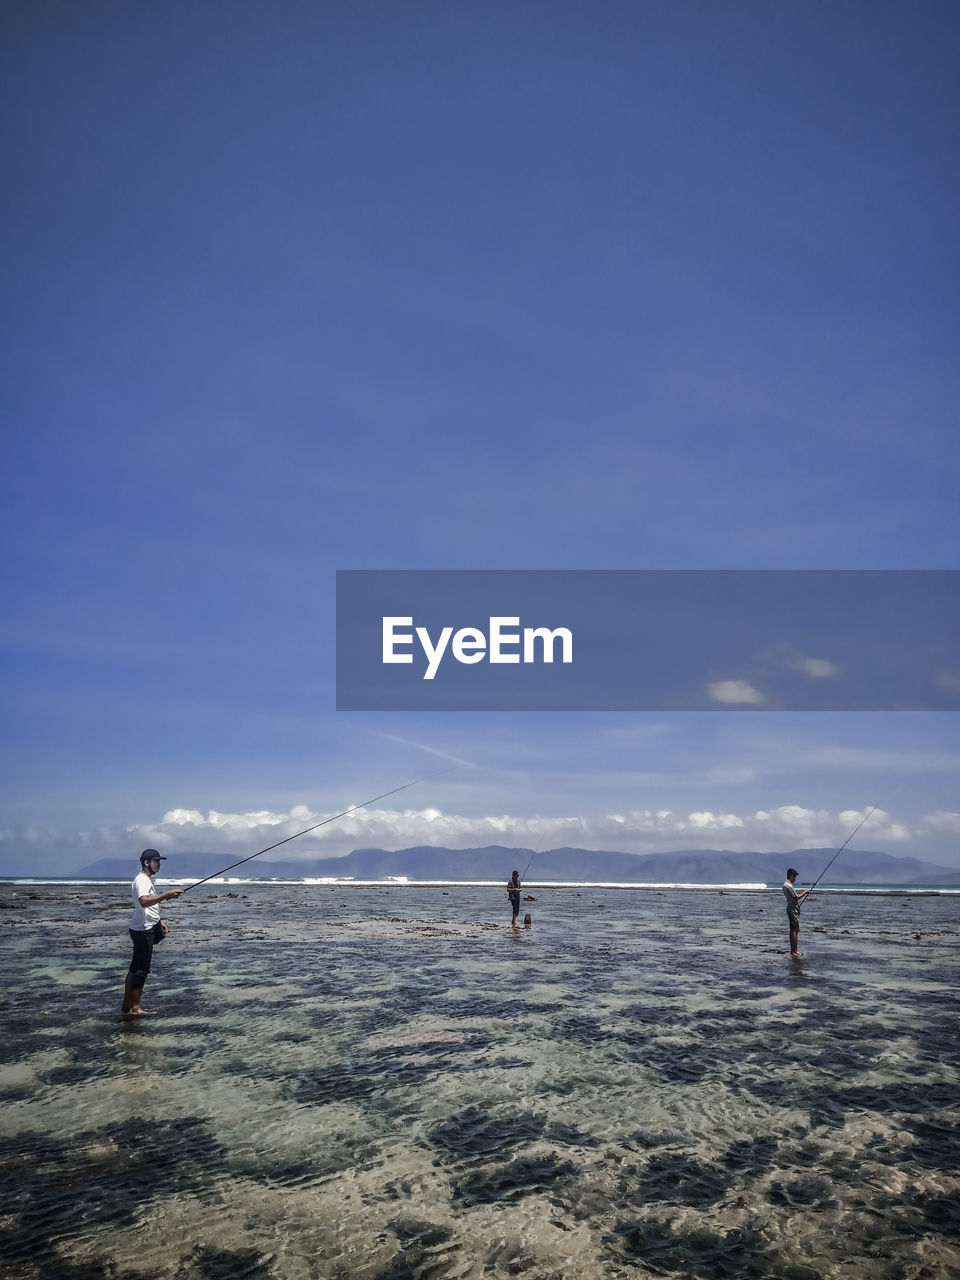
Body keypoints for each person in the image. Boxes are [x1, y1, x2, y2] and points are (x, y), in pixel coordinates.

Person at [122, 849, 182, 1016]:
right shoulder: (142, 880)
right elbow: (144, 902)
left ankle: (127, 1006)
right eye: (156, 861)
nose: (158, 864)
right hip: (143, 929)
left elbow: (148, 906)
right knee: (142, 970)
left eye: (159, 861)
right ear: (146, 862)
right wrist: (166, 895)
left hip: (145, 926)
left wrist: (159, 922)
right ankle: (135, 1008)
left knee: (134, 968)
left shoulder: (145, 879)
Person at [782, 867, 809, 957]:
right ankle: (794, 951)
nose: (795, 879)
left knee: (794, 930)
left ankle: (794, 950)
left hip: (792, 909)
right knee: (794, 931)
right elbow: (796, 897)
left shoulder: (786, 885)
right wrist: (805, 892)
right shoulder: (788, 886)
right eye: (795, 877)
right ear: (791, 876)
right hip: (793, 911)